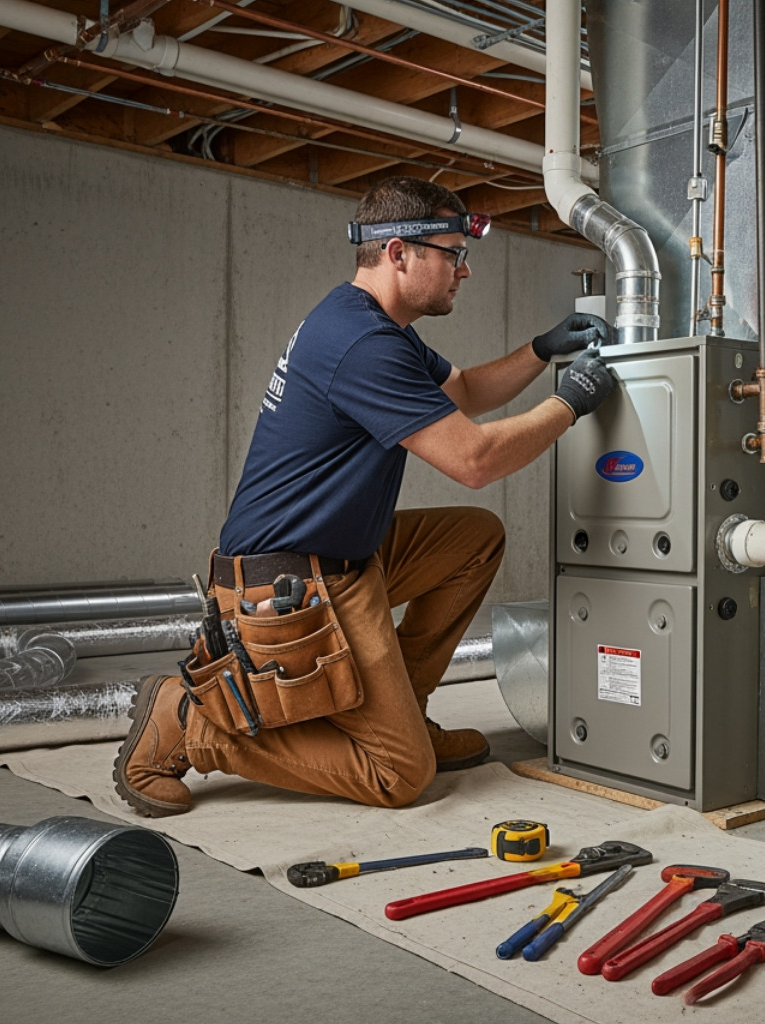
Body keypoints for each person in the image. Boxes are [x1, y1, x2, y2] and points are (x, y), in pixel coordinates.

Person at [113, 176, 617, 817]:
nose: (465, 271)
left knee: (473, 539)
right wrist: (568, 402)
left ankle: (403, 707)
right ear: (398, 252)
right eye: (453, 253)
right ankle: (191, 723)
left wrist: (542, 350)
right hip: (291, 584)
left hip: (346, 554)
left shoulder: (377, 325)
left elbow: (460, 391)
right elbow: (474, 459)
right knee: (400, 776)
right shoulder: (360, 344)